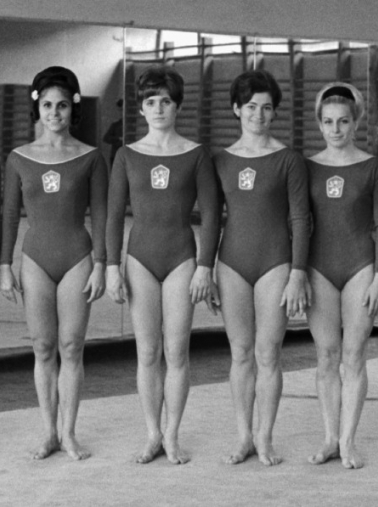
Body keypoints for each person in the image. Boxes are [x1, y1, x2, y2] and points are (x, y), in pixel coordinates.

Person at [106, 65, 220, 465]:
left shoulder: (195, 154)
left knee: (177, 351)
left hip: (181, 258)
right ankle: (152, 431)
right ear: (141, 108)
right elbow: (113, 214)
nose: (158, 109)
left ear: (178, 106)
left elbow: (211, 214)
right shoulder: (127, 155)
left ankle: (172, 434)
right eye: (151, 102)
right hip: (140, 258)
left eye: (166, 101)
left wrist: (205, 266)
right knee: (148, 351)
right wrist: (112, 266)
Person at [0, 66, 107, 461]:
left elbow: (101, 214)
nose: (54, 113)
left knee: (71, 347)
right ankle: (48, 432)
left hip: (77, 255)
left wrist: (101, 263)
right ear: (37, 107)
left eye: (62, 105)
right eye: (47, 105)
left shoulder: (91, 157)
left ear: (73, 107)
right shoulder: (18, 158)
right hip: (35, 259)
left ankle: (69, 433)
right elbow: (9, 216)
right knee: (43, 347)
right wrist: (5, 266)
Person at [213, 70, 311, 466]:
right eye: (251, 106)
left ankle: (265, 436)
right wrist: (206, 268)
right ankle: (243, 436)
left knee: (268, 353)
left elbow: (301, 219)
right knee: (240, 352)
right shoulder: (221, 160)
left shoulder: (288, 160)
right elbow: (211, 220)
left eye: (267, 108)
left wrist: (298, 273)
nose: (259, 115)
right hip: (232, 263)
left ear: (275, 112)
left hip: (275, 263)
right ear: (236, 109)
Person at [304, 82, 378, 468]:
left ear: (356, 122)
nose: (335, 129)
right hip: (318, 267)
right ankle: (329, 437)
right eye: (328, 122)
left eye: (343, 121)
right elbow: (297, 223)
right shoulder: (307, 167)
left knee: (354, 354)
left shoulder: (373, 168)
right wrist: (296, 273)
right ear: (319, 124)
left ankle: (348, 441)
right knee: (327, 355)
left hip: (361, 266)